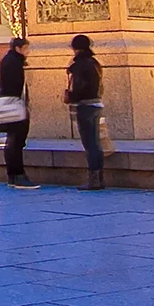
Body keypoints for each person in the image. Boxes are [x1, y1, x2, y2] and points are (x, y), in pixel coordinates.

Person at [66, 35, 104, 190]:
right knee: (95, 143)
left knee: (90, 144)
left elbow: (80, 88)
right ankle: (98, 178)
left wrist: (72, 97)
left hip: (85, 106)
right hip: (96, 104)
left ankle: (94, 180)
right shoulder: (94, 63)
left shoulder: (80, 65)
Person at [0, 38, 37, 188]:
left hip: (10, 102)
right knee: (16, 141)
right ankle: (18, 175)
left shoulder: (8, 60)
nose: (28, 52)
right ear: (18, 48)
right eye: (26, 48)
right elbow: (16, 85)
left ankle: (13, 176)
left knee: (12, 140)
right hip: (14, 104)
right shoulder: (14, 62)